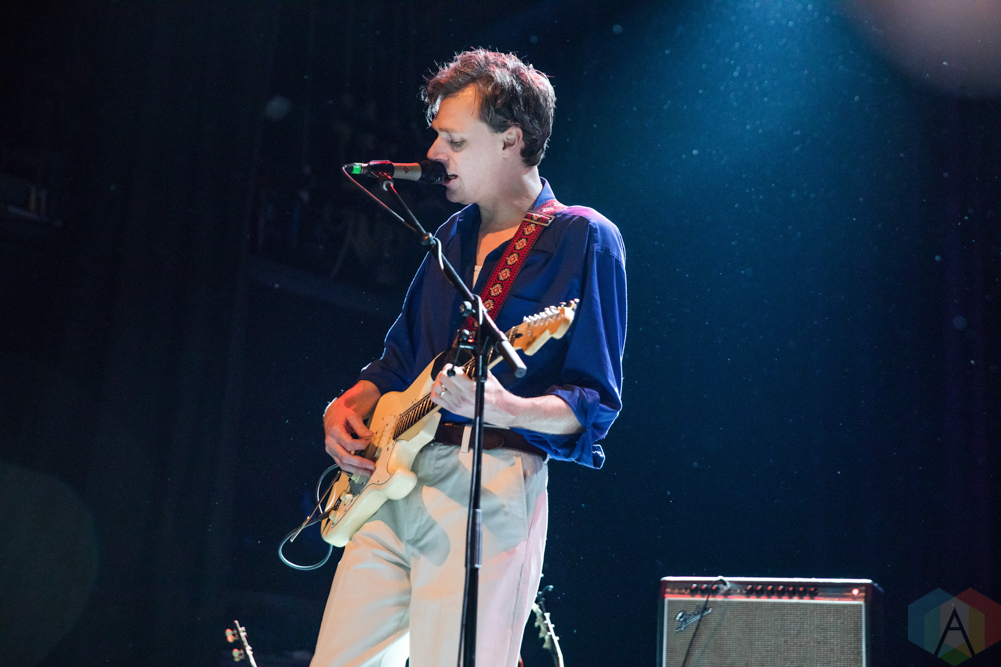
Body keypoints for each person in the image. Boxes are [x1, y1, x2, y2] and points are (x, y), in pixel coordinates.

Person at [312, 49, 627, 667]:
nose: (434, 153)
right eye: (437, 136)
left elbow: (592, 405)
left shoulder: (583, 237)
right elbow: (398, 362)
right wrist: (343, 407)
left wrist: (505, 407)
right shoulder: (449, 237)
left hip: (491, 483)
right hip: (392, 480)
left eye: (455, 140)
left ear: (512, 139)